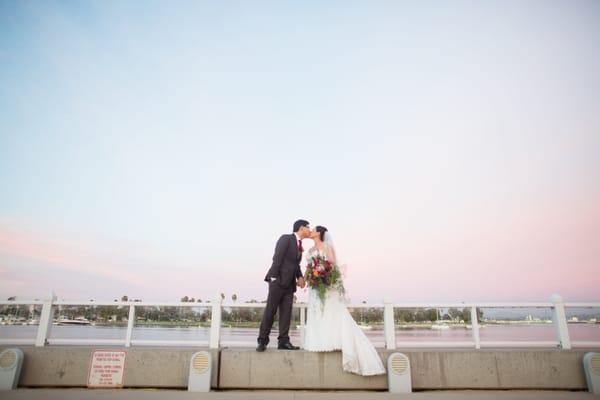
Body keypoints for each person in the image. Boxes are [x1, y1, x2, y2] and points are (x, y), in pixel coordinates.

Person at [303, 226, 386, 376]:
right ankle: (320, 342)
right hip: (315, 287)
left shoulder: (327, 246)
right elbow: (309, 268)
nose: (311, 231)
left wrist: (324, 275)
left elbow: (333, 266)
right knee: (318, 313)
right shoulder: (309, 251)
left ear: (319, 233)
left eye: (314, 229)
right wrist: (311, 276)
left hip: (327, 285)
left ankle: (336, 341)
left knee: (332, 312)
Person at [257, 219, 310, 351]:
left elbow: (295, 264)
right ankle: (262, 341)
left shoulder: (300, 246)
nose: (309, 230)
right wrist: (274, 278)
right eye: (308, 227)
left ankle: (283, 341)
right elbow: (277, 257)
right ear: (301, 228)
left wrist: (300, 277)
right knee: (271, 310)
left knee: (286, 313)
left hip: (289, 285)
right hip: (278, 281)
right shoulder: (286, 238)